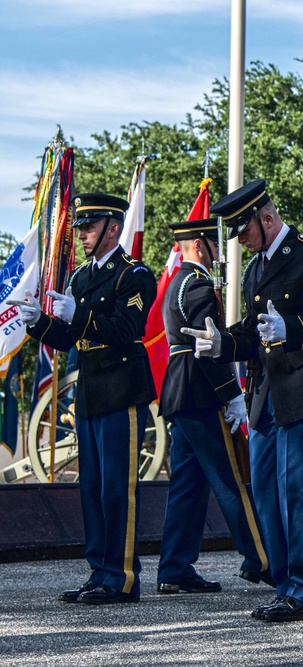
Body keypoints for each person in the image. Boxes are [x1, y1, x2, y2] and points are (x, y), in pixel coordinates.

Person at [181, 179, 303, 622]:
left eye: (244, 230)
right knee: (268, 493)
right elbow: (252, 332)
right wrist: (221, 343)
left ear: (267, 218)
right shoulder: (256, 268)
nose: (240, 240)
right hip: (266, 396)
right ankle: (284, 584)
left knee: (299, 492)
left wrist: (291, 329)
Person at [9, 193, 157, 604]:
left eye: (89, 227)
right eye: (80, 228)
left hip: (123, 389)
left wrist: (79, 316)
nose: (82, 235)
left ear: (113, 227)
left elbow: (126, 328)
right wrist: (39, 325)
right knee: (92, 488)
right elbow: (70, 337)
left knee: (117, 488)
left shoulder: (135, 275)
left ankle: (123, 577)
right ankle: (100, 571)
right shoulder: (80, 278)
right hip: (91, 389)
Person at [157, 218, 271, 594]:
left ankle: (174, 567)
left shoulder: (177, 281)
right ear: (201, 246)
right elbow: (209, 348)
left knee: (187, 485)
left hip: (178, 392)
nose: (221, 250)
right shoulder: (200, 285)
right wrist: (231, 393)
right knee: (231, 481)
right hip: (201, 391)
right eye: (215, 243)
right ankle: (262, 558)